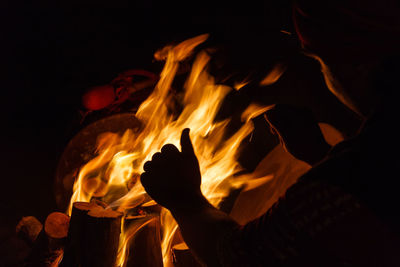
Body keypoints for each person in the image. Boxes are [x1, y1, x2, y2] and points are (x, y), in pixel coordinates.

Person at [141, 0, 400, 266]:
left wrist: (185, 199)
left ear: (356, 63)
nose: (324, 74)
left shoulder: (351, 182)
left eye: (321, 61)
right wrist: (319, 154)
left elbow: (236, 256)